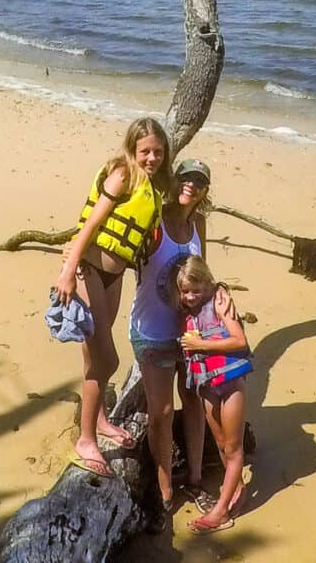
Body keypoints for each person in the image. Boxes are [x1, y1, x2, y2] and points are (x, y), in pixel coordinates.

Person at [53, 117, 171, 478]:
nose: (151, 158)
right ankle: (86, 440)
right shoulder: (122, 173)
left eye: (158, 152)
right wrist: (68, 271)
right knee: (107, 360)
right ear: (132, 149)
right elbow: (90, 225)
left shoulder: (151, 189)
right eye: (145, 151)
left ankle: (100, 419)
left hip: (114, 277)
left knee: (94, 357)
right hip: (89, 271)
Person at [128, 158, 214, 512]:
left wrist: (219, 302)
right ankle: (164, 490)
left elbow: (204, 278)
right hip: (152, 332)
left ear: (205, 190)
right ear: (174, 179)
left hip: (189, 335)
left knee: (193, 403)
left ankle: (194, 480)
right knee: (161, 411)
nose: (190, 185)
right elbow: (119, 249)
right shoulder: (154, 218)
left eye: (199, 181)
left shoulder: (199, 224)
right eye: (185, 177)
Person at [178, 255, 251, 534]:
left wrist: (200, 343)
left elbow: (239, 340)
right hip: (207, 384)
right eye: (185, 292)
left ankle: (220, 512)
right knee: (220, 443)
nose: (191, 296)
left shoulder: (220, 304)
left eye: (196, 290)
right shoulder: (185, 313)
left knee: (233, 448)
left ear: (208, 284)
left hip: (230, 383)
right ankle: (238, 489)